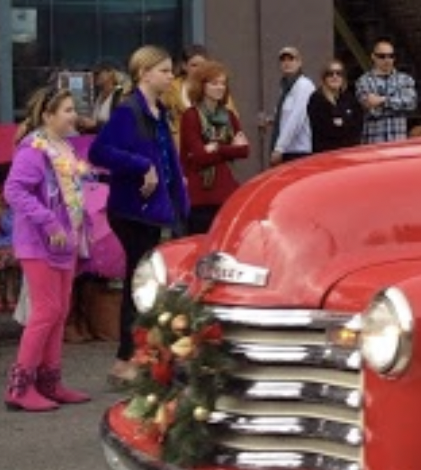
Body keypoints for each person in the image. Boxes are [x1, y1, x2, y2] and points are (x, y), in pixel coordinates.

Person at [89, 46, 189, 387]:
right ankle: (124, 360)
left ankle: (144, 358)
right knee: (139, 284)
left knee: (149, 284)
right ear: (144, 73)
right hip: (133, 211)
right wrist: (140, 165)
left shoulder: (158, 111)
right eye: (163, 70)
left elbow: (168, 161)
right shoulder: (129, 111)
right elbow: (99, 151)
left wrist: (180, 202)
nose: (170, 75)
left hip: (155, 209)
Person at [4, 89, 96, 411]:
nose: (74, 115)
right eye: (68, 110)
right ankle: (20, 386)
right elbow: (14, 190)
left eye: (74, 109)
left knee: (59, 311)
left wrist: (79, 223)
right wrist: (49, 222)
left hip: (65, 242)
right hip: (39, 243)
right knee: (45, 312)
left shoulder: (65, 148)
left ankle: (50, 381)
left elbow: (72, 192)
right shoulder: (34, 149)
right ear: (48, 116)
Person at [179, 61, 249, 235]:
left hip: (225, 192)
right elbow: (200, 156)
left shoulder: (229, 115)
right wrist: (228, 148)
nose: (220, 88)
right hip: (199, 194)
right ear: (201, 86)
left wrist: (217, 147)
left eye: (223, 83)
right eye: (214, 83)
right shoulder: (191, 116)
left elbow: (244, 150)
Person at [357, 39, 419, 144]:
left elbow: (411, 103)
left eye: (391, 56)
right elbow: (372, 109)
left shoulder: (405, 79)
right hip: (373, 143)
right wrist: (398, 104)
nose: (387, 59)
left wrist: (382, 100)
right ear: (373, 56)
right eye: (382, 56)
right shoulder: (363, 81)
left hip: (398, 142)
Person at [269, 46, 316, 165]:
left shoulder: (304, 85)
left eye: (291, 59)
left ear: (299, 63)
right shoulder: (285, 88)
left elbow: (296, 118)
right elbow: (285, 116)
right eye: (283, 60)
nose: (287, 63)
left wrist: (279, 148)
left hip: (299, 151)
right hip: (288, 150)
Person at [308, 60, 364, 153]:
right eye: (330, 74)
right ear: (324, 78)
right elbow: (324, 129)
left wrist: (340, 124)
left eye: (339, 73)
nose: (335, 76)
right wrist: (344, 124)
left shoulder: (350, 99)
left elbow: (357, 126)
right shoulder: (316, 99)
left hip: (348, 152)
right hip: (325, 153)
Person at [76, 62, 129, 135]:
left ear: (110, 73)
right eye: (93, 74)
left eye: (98, 73)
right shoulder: (97, 95)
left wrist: (95, 124)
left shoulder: (121, 95)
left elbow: (121, 126)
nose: (94, 76)